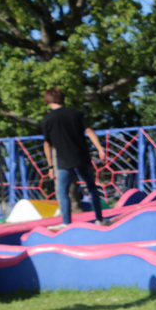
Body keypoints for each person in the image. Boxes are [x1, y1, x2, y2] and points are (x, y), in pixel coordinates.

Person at [40, 88, 108, 229]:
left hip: (63, 159)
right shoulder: (76, 113)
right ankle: (99, 219)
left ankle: (66, 223)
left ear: (47, 101)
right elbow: (89, 131)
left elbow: (47, 144)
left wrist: (50, 166)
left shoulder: (47, 119)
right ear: (62, 99)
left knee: (62, 191)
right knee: (91, 187)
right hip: (82, 155)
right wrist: (100, 149)